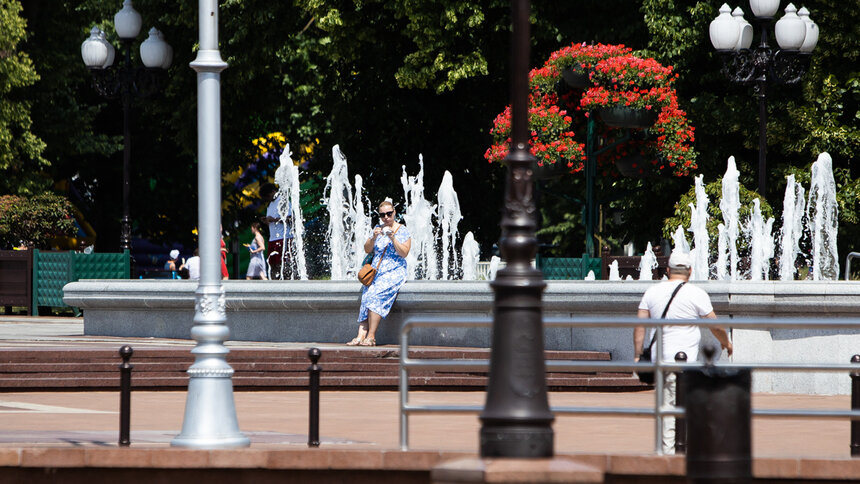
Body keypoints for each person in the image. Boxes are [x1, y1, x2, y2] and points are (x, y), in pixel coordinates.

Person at [633, 250, 733, 454]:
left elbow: (640, 326)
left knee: (665, 407)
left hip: (659, 358)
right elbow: (715, 325)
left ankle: (668, 450)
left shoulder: (652, 292)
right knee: (683, 406)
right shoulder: (696, 293)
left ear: (668, 270)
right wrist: (726, 343)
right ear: (690, 271)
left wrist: (637, 354)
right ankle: (674, 454)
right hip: (684, 361)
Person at [347, 199, 412, 347]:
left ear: (394, 213)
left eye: (389, 214)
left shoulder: (402, 230)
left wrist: (392, 238)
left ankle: (371, 336)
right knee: (367, 296)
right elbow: (367, 249)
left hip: (394, 271)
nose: (386, 218)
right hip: (376, 272)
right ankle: (360, 335)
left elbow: (404, 252)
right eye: (383, 215)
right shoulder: (377, 228)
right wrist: (374, 237)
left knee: (375, 295)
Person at [260, 183, 293, 280]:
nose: (268, 199)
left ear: (272, 192)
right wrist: (267, 221)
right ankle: (274, 286)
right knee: (273, 265)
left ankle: (287, 285)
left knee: (284, 265)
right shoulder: (270, 205)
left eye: (268, 196)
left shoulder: (282, 201)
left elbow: (290, 219)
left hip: (284, 237)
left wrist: (273, 219)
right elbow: (274, 220)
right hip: (273, 238)